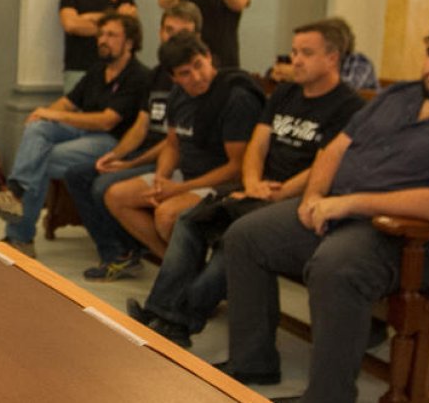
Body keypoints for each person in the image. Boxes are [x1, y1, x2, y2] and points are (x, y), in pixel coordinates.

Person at [221, 16, 429, 403]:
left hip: (419, 241)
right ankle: (252, 362)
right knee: (247, 235)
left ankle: (328, 397)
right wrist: (314, 196)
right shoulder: (400, 96)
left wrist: (348, 202)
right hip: (342, 214)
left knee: (337, 266)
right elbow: (336, 149)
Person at [125, 20, 364, 347]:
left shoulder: (349, 106)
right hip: (259, 189)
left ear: (333, 57)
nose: (295, 60)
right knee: (189, 220)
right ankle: (161, 311)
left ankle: (177, 319)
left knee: (235, 239)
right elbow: (258, 144)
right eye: (294, 52)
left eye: (306, 53)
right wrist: (252, 183)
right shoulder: (285, 93)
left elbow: (324, 166)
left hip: (298, 197)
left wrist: (278, 191)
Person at [0, 13, 152, 257]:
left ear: (129, 42)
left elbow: (107, 120)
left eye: (111, 35)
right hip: (82, 132)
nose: (103, 40)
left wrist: (54, 115)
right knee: (37, 130)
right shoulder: (98, 70)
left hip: (111, 141)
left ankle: (20, 236)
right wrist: (41, 115)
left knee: (40, 158)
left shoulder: (138, 75)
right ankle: (15, 193)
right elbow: (67, 103)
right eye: (101, 34)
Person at [63, 0, 202, 280]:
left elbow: (174, 142)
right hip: (143, 153)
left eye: (181, 32)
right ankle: (118, 252)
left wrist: (128, 165)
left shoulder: (194, 78)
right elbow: (141, 126)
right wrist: (117, 155)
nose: (173, 37)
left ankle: (164, 262)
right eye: (168, 30)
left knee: (104, 185)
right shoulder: (157, 75)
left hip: (171, 162)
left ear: (197, 36)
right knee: (78, 174)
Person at [104, 32, 264, 260]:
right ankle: (174, 265)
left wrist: (178, 190)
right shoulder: (178, 95)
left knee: (166, 215)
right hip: (185, 175)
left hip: (220, 182)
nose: (197, 77)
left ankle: (186, 272)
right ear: (174, 78)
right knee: (116, 196)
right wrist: (161, 179)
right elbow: (172, 145)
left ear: (208, 57)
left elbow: (236, 168)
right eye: (185, 73)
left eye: (199, 65)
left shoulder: (236, 97)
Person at [269, 16, 378, 92]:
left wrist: (298, 75)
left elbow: (347, 89)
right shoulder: (303, 58)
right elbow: (272, 73)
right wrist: (277, 72)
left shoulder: (359, 62)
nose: (298, 58)